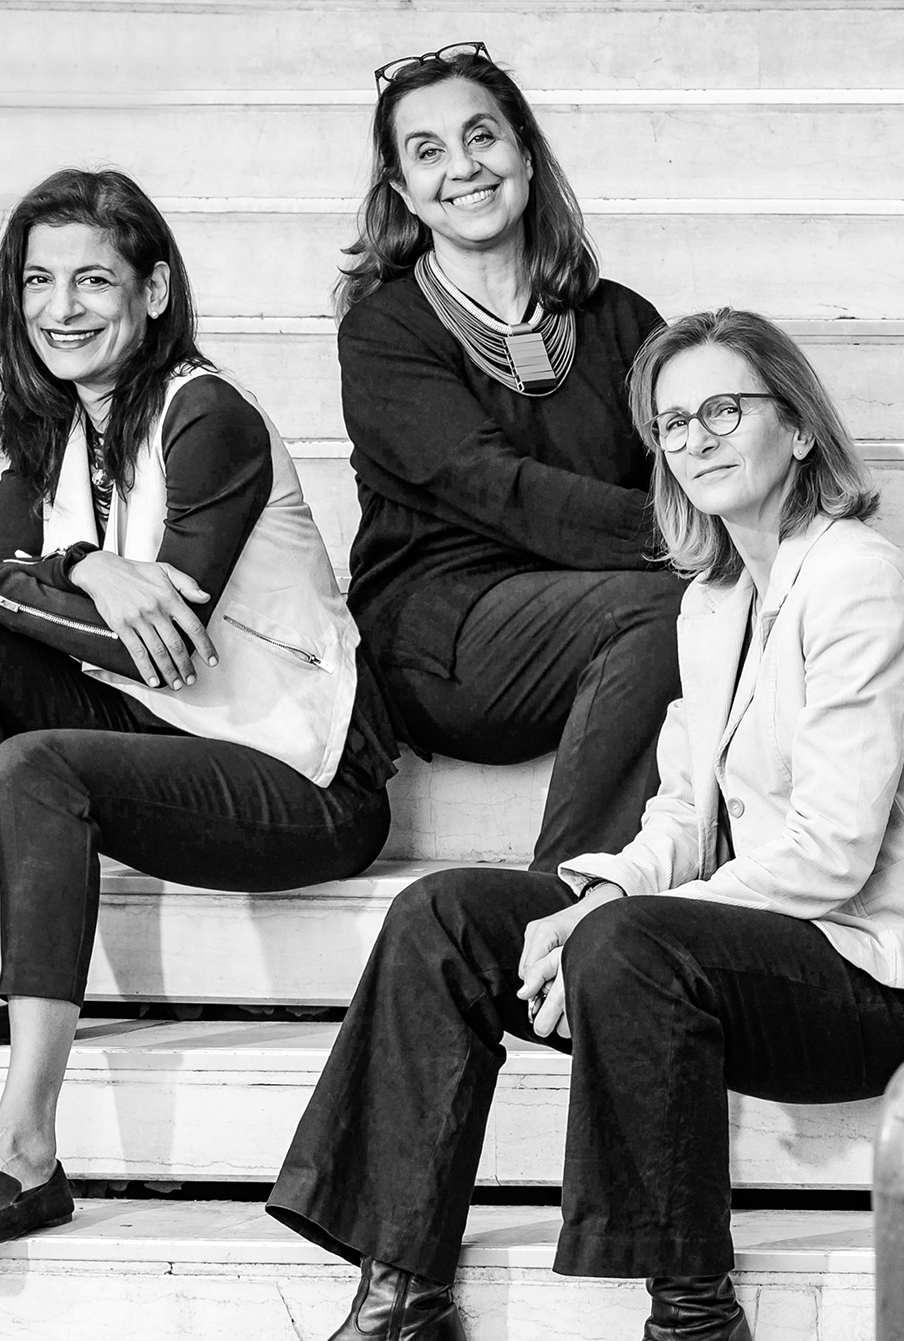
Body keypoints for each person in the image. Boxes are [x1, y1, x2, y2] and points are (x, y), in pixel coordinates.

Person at [197, 308, 904, 1341]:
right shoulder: (713, 600)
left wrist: (610, 918)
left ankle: (695, 1332)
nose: (695, 438)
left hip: (880, 981)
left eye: (723, 409)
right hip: (761, 952)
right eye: (672, 424)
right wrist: (597, 891)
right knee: (445, 913)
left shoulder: (856, 580)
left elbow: (832, 851)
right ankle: (398, 1311)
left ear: (796, 427)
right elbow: (680, 815)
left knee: (627, 940)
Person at [0, 169, 395, 1250]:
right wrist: (76, 565)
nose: (61, 308)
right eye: (38, 281)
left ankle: (25, 1145)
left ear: (152, 292)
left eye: (92, 280)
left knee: (35, 759)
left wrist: (38, 571)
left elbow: (158, 645)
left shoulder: (209, 417)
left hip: (300, 777)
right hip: (167, 737)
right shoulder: (58, 431)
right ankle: (1, 965)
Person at [336, 42, 683, 872]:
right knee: (674, 603)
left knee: (832, 583)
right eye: (427, 152)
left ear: (523, 152)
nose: (462, 167)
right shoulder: (385, 332)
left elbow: (685, 467)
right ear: (403, 192)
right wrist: (690, 538)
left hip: (597, 616)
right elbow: (495, 489)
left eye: (481, 136)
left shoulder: (621, 320)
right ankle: (561, 896)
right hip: (445, 636)